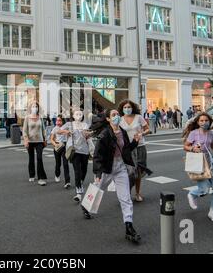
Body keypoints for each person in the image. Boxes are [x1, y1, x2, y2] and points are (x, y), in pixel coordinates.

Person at [83, 109, 142, 243]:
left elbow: (126, 149)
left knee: (125, 198)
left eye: (117, 114)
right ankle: (86, 206)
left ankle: (129, 226)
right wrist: (98, 172)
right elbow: (98, 155)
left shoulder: (123, 131)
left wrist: (135, 142)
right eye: (113, 115)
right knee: (98, 188)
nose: (117, 117)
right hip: (107, 168)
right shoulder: (105, 134)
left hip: (120, 167)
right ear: (108, 119)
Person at [183, 113, 213, 223]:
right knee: (204, 190)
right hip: (199, 164)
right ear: (197, 122)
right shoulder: (193, 133)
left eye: (206, 120)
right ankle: (192, 194)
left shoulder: (210, 133)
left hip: (211, 163)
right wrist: (193, 148)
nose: (204, 122)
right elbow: (185, 146)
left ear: (209, 122)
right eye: (201, 120)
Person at [119, 100, 153, 203]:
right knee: (129, 173)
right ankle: (127, 193)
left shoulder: (139, 117)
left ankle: (137, 193)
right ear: (122, 109)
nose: (127, 109)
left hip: (140, 146)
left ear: (132, 107)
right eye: (125, 107)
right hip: (127, 148)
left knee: (138, 172)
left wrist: (141, 134)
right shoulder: (120, 119)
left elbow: (148, 129)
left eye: (129, 107)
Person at [59, 109, 92, 202]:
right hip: (74, 150)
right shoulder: (69, 124)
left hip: (84, 150)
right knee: (77, 170)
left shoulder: (85, 125)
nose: (78, 115)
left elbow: (87, 134)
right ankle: (79, 193)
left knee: (84, 169)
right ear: (73, 116)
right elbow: (59, 131)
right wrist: (67, 132)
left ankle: (80, 182)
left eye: (80, 114)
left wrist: (88, 134)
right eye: (76, 114)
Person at [23, 102, 48, 186]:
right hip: (30, 141)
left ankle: (41, 177)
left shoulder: (40, 117)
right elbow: (24, 130)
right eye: (33, 106)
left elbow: (43, 129)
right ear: (30, 108)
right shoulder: (27, 118)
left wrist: (45, 138)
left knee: (39, 158)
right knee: (31, 158)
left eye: (36, 106)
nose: (35, 108)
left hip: (40, 141)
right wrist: (26, 140)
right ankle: (32, 174)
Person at [50, 115, 70, 189]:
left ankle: (67, 181)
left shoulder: (66, 127)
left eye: (59, 120)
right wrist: (55, 144)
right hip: (57, 146)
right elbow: (51, 139)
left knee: (65, 163)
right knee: (58, 163)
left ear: (63, 121)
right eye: (57, 120)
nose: (58, 122)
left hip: (65, 145)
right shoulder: (55, 129)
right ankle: (57, 174)